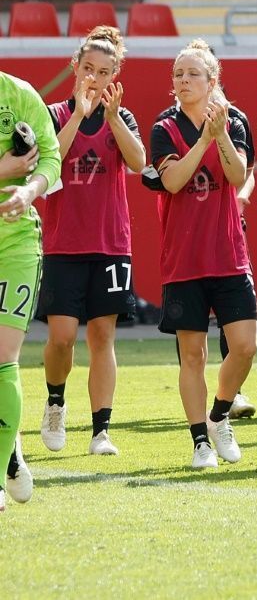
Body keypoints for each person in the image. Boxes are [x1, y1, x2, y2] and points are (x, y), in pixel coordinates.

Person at [38, 27, 145, 457]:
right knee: (62, 337)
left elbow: (138, 163)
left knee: (103, 336)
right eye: (88, 69)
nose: (95, 79)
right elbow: (51, 162)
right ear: (74, 67)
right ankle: (55, 403)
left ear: (115, 74)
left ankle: (101, 430)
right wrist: (81, 115)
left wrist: (114, 117)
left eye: (104, 72)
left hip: (111, 243)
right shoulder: (55, 114)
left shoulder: (124, 116)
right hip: (64, 243)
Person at [151, 40, 257, 469]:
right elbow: (174, 181)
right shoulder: (164, 128)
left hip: (229, 253)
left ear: (212, 81)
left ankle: (219, 416)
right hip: (184, 258)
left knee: (246, 346)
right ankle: (200, 441)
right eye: (178, 74)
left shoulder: (233, 122)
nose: (183, 81)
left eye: (193, 74)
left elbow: (236, 177)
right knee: (192, 354)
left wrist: (221, 138)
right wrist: (203, 141)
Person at [0, 72, 60, 512]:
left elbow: (51, 158)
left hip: (15, 243)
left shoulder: (20, 94)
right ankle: (12, 441)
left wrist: (30, 188)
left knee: (3, 359)